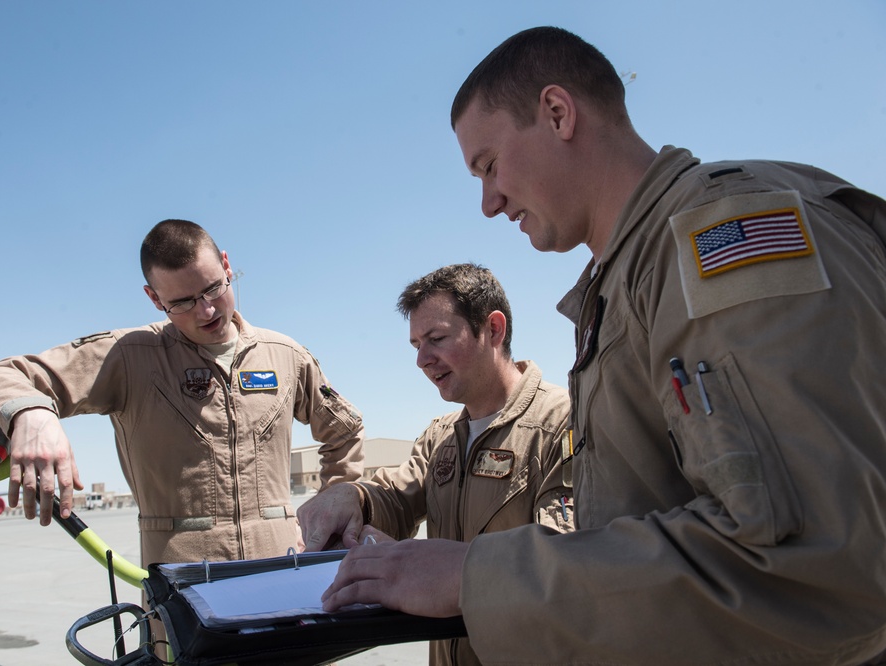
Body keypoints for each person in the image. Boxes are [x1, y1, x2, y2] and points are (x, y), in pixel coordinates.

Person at [321, 26, 886, 665]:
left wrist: (474, 576)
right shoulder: (630, 279)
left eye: (489, 165)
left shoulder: (722, 239)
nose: (488, 201)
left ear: (558, 114)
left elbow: (825, 567)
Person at [0, 218, 365, 569]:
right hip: (183, 591)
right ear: (154, 298)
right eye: (183, 302)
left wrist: (333, 506)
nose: (206, 311)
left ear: (226, 265)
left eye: (213, 289)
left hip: (283, 572)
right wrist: (31, 413)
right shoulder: (130, 356)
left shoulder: (286, 356)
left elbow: (344, 432)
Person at [298, 262, 571, 666]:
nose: (423, 359)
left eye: (437, 339)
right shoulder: (441, 436)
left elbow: (567, 560)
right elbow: (396, 495)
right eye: (416, 346)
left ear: (493, 329)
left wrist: (463, 573)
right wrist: (353, 498)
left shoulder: (562, 423)